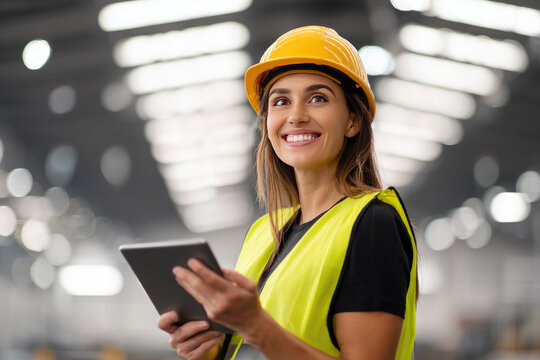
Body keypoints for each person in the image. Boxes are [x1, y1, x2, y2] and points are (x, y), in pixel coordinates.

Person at [157, 26, 418, 360]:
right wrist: (209, 351)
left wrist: (255, 326)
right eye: (281, 101)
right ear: (267, 122)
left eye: (318, 98)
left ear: (353, 121)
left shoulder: (372, 223)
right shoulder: (263, 233)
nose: (296, 115)